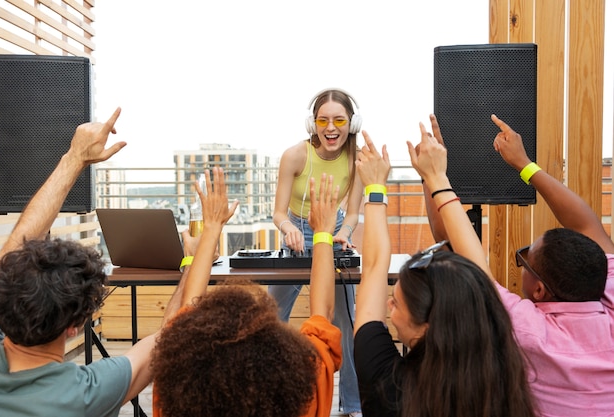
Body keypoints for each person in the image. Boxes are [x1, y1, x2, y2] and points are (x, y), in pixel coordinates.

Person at [0, 108, 200, 416]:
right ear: (76, 325)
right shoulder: (88, 394)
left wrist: (75, 157)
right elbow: (172, 332)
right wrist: (193, 256)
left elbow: (10, 252)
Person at [352, 124, 537, 417]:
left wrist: (375, 188)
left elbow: (374, 266)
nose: (388, 304)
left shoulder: (386, 383)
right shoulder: (504, 379)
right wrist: (436, 177)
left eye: (397, 303)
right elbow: (479, 275)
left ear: (428, 327)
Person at [434, 114, 613, 416]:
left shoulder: (531, 333)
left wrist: (436, 176)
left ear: (540, 290)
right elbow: (587, 224)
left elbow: (468, 257)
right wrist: (524, 165)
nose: (523, 262)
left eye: (526, 260)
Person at [152, 170, 343, 417]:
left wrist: (207, 234)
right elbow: (323, 314)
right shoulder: (307, 388)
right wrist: (323, 232)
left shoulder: (173, 389)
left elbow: (176, 323)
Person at [269, 88, 364, 416]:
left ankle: (352, 406)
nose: (331, 127)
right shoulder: (295, 156)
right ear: (313, 124)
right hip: (297, 233)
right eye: (323, 120)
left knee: (346, 323)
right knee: (273, 316)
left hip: (334, 232)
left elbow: (352, 214)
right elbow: (278, 213)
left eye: (339, 119)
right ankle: (271, 397)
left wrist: (344, 233)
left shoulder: (356, 160)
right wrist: (288, 229)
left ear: (352, 123)